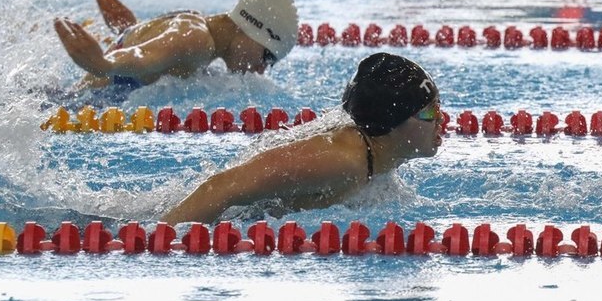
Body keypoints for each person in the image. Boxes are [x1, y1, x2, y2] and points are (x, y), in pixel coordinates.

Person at [162, 52, 444, 225]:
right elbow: (220, 188)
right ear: (393, 121)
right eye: (430, 111)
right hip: (192, 221)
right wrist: (160, 240)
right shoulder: (342, 159)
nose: (442, 119)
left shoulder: (376, 160)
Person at [53, 0, 299, 89]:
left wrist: (129, 30)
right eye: (267, 57)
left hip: (78, 101)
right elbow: (141, 56)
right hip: (78, 107)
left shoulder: (195, 27)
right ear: (251, 29)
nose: (261, 69)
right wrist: (102, 63)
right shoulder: (195, 38)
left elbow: (153, 52)